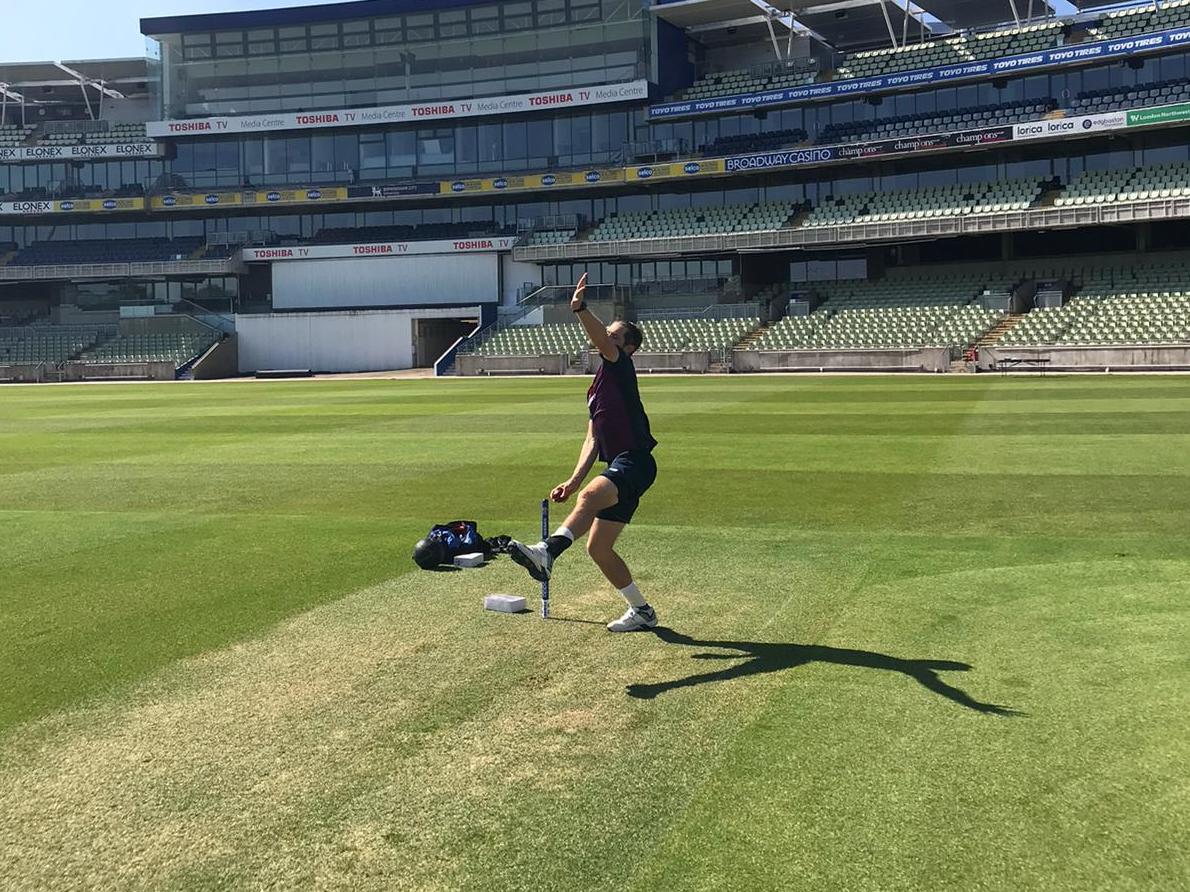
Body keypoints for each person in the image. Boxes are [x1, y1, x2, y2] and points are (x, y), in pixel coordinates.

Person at [509, 272, 659, 632]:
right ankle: (642, 611)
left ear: (628, 348)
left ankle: (546, 552)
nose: (607, 337)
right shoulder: (596, 388)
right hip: (620, 464)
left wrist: (580, 308)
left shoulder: (620, 365)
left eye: (613, 335)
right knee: (598, 549)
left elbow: (601, 340)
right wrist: (574, 480)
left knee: (595, 493)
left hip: (635, 460)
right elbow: (592, 438)